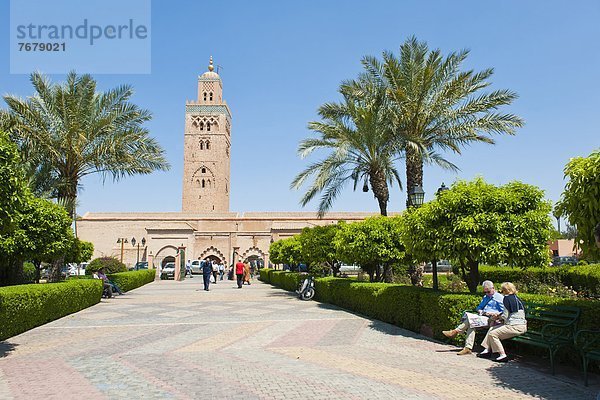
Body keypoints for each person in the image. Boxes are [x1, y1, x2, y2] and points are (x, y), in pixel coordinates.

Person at [442, 280, 504, 355]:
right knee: (472, 324)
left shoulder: (499, 298)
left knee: (471, 321)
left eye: (488, 292)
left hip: (491, 319)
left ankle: (455, 332)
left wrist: (493, 313)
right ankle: (467, 348)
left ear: (493, 288)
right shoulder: (486, 297)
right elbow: (479, 307)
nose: (487, 294)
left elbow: (503, 312)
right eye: (485, 292)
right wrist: (481, 311)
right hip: (482, 316)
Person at [479, 282, 527, 362]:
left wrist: (497, 317)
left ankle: (502, 355)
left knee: (493, 334)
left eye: (502, 290)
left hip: (514, 326)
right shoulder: (517, 298)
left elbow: (505, 316)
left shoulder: (507, 299)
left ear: (505, 290)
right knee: (493, 328)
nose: (501, 291)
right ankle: (487, 350)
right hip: (521, 325)